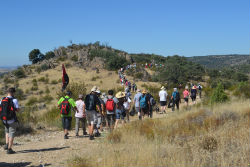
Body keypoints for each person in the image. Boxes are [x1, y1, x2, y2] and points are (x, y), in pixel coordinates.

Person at [0, 88, 19, 154]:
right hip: (12, 120)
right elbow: (17, 109)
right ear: (13, 93)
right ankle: (9, 149)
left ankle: (6, 144)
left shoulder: (2, 99)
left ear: (7, 92)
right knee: (12, 134)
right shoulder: (14, 100)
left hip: (4, 120)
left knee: (7, 131)